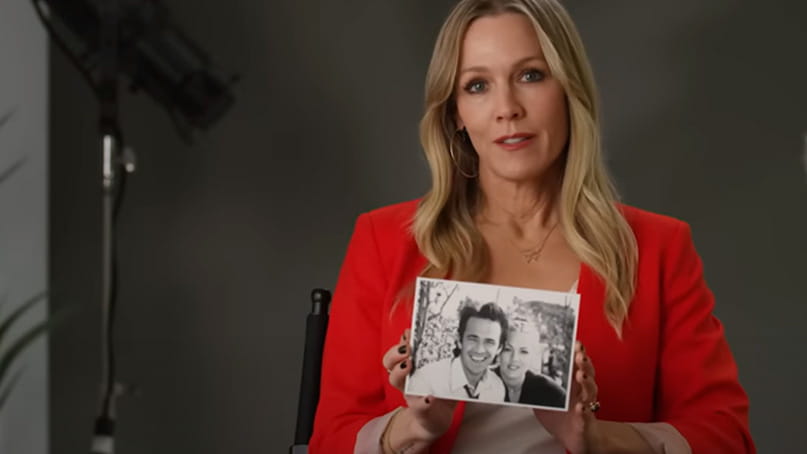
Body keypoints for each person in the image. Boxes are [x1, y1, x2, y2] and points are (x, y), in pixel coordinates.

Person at [309, 0, 755, 453]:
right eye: (478, 85)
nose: (507, 108)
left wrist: (599, 438)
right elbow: (329, 440)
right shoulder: (383, 241)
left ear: (568, 88)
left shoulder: (658, 248)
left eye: (530, 75)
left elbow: (726, 438)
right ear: (455, 113)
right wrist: (413, 427)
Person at [408, 302, 508, 401]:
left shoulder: (497, 387)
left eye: (489, 342)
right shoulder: (426, 381)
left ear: (499, 348)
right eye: (473, 339)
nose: (479, 350)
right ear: (459, 340)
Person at [495, 317, 566, 408]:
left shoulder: (553, 394)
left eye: (523, 351)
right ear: (498, 350)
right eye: (508, 349)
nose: (514, 358)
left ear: (532, 355)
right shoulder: (480, 384)